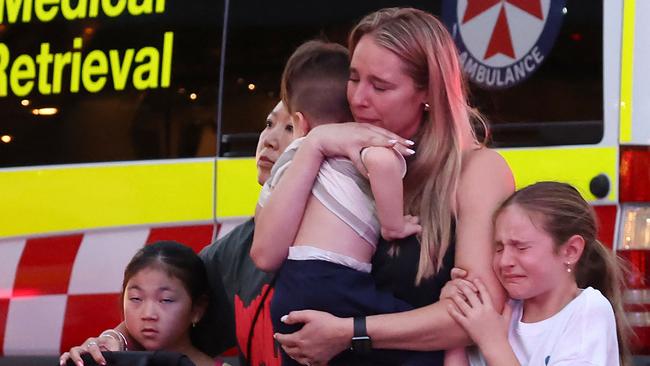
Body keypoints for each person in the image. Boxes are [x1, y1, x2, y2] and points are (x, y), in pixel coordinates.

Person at [252, 7, 514, 366]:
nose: (358, 98)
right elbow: (264, 254)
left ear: (428, 92)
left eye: (380, 85)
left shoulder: (476, 171)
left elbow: (475, 320)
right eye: (354, 78)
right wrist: (315, 143)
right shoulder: (333, 152)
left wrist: (349, 332)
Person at [62, 102, 295, 366]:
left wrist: (350, 332)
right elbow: (167, 297)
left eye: (291, 127)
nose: (269, 140)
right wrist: (112, 342)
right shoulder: (237, 249)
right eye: (268, 124)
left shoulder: (343, 236)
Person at [252, 39, 434, 365]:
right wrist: (394, 224)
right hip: (334, 283)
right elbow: (381, 163)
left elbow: (262, 242)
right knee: (425, 343)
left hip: (290, 292)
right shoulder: (359, 143)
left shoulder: (289, 160)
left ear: (300, 121)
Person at [443, 182, 631, 366]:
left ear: (570, 251)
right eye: (499, 248)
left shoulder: (587, 310)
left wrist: (493, 343)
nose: (504, 261)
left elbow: (492, 342)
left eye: (521, 247)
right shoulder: (501, 309)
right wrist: (458, 316)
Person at [60, 241, 229, 366]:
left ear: (197, 309)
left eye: (166, 300)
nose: (148, 314)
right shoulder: (108, 357)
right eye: (135, 298)